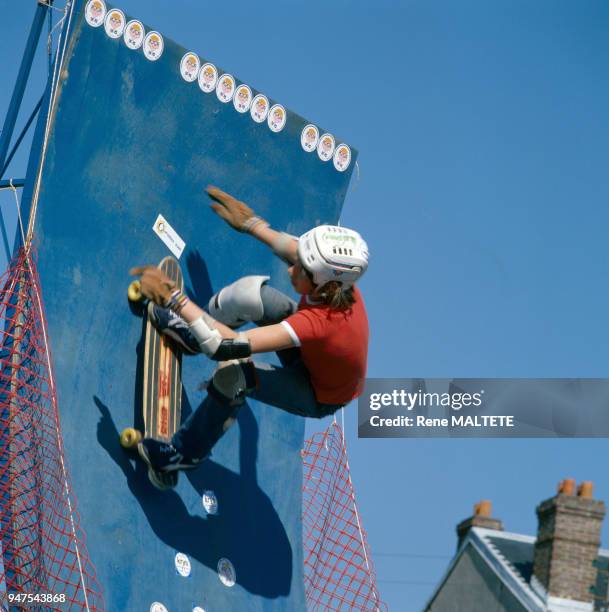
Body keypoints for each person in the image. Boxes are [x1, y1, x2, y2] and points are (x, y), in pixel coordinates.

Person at [130, 186, 370, 489]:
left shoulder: (319, 323)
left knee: (233, 374)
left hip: (316, 392)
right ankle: (191, 336)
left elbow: (224, 348)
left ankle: (183, 453)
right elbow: (293, 249)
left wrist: (175, 300)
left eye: (301, 268)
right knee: (248, 295)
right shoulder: (334, 281)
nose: (291, 268)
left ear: (323, 284)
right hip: (315, 355)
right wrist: (251, 224)